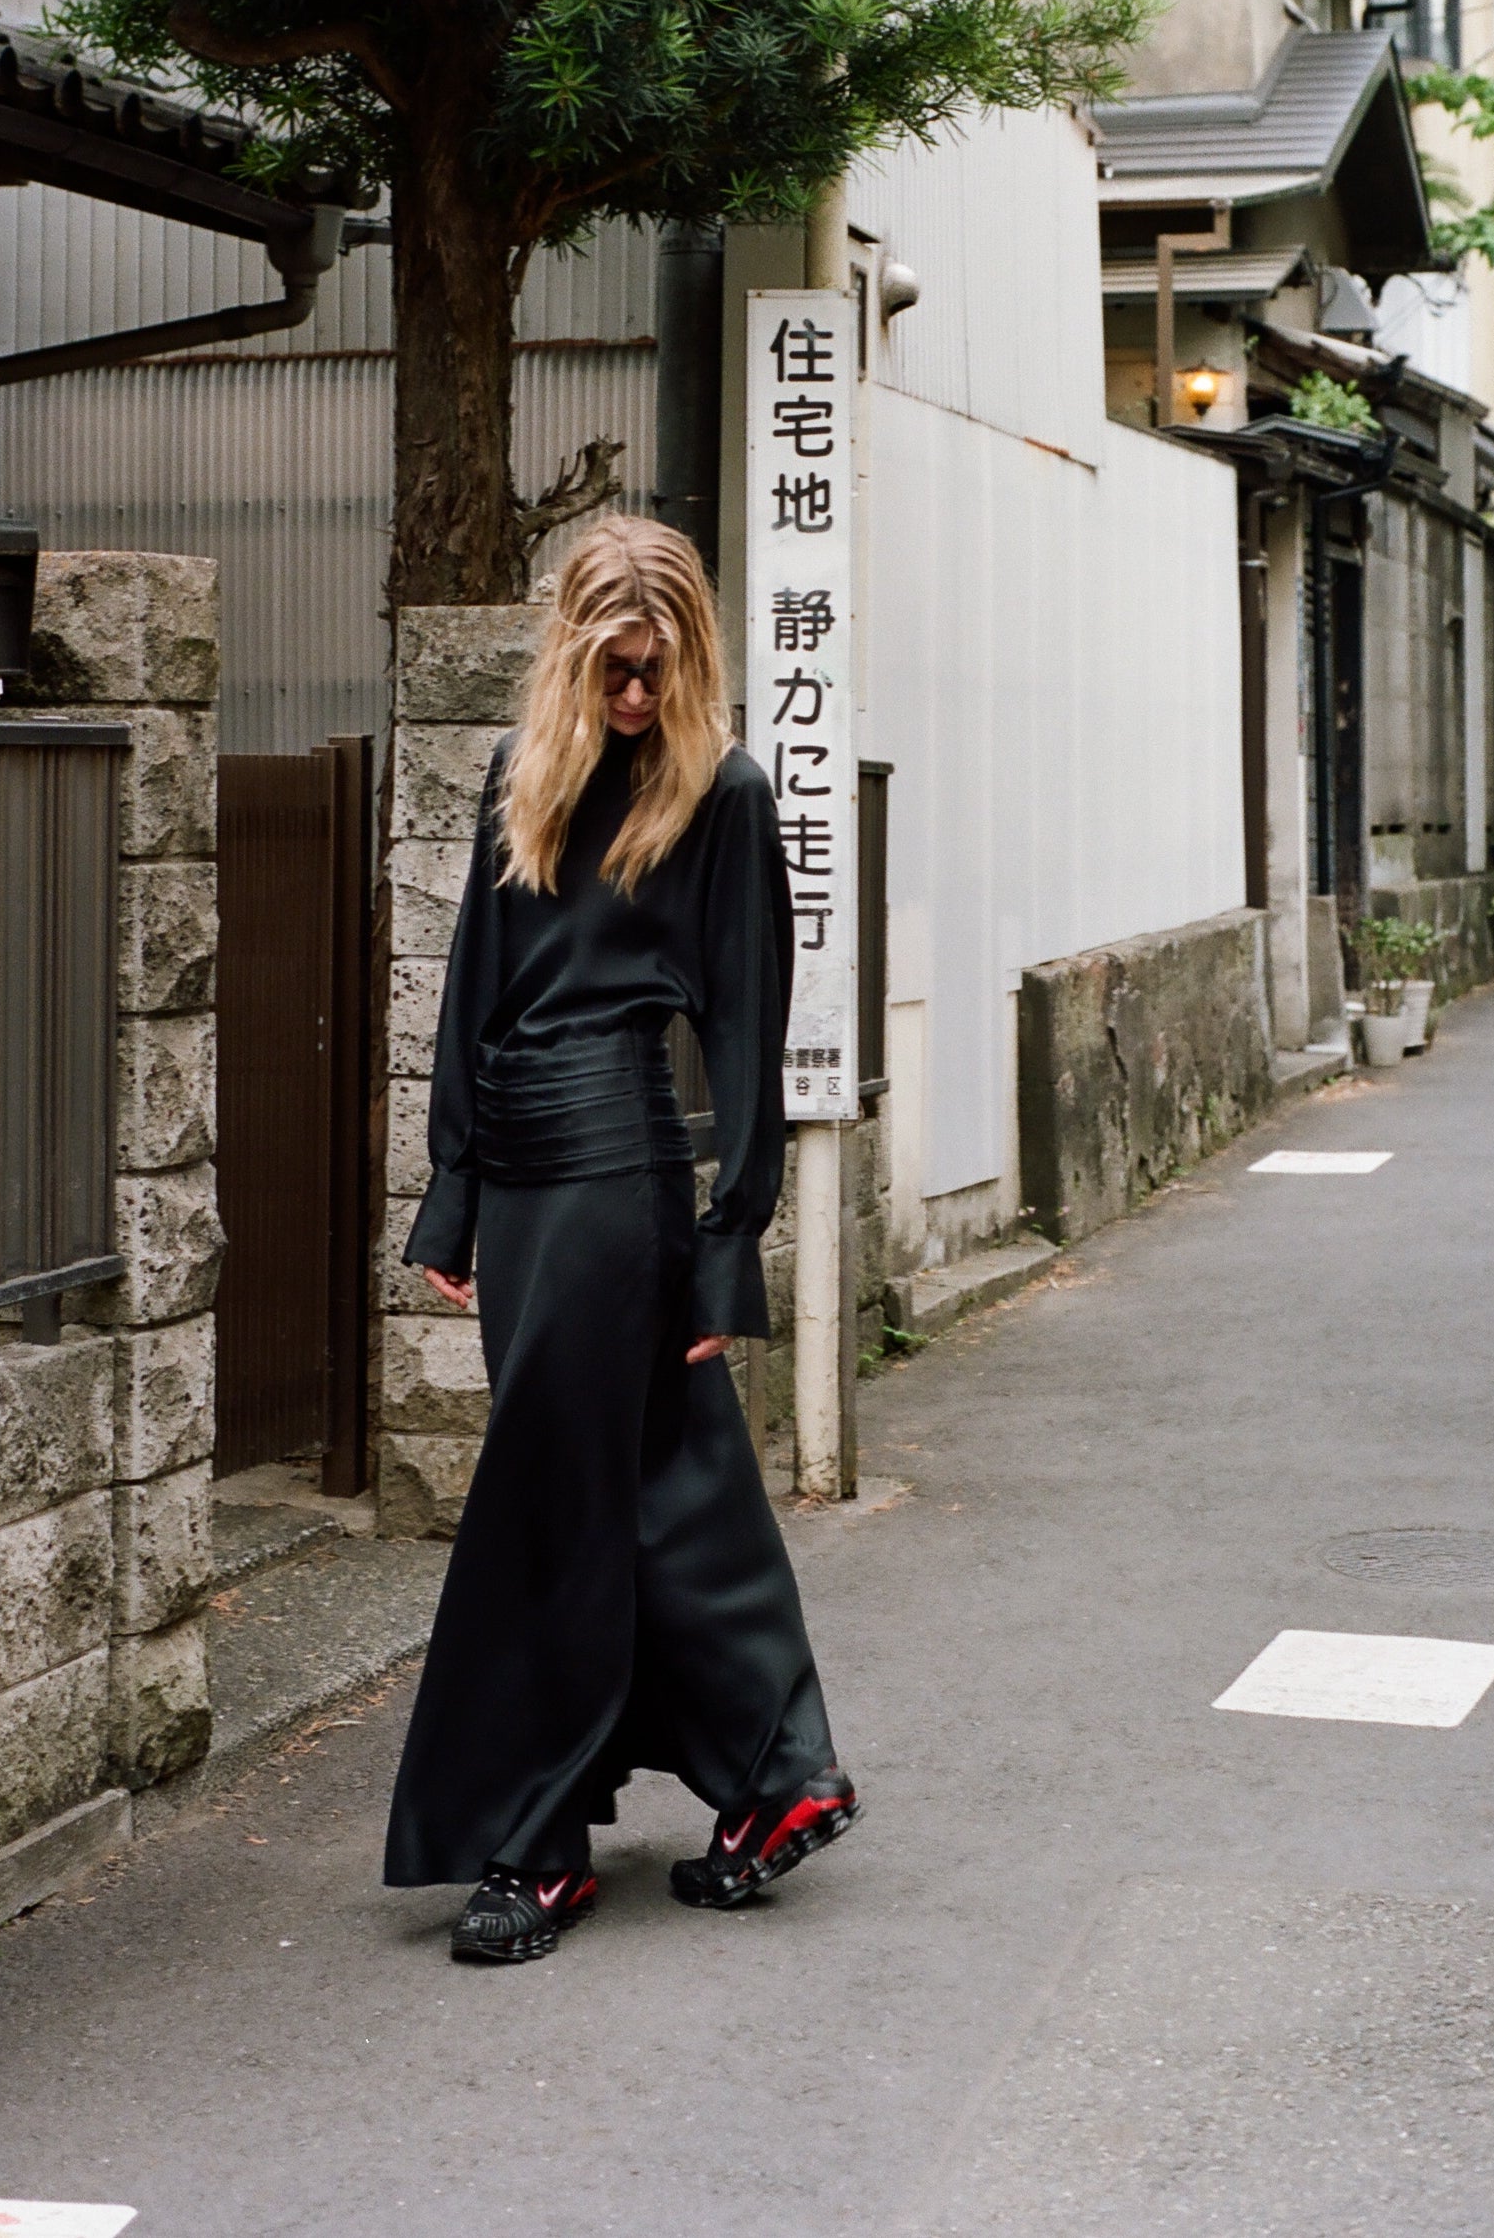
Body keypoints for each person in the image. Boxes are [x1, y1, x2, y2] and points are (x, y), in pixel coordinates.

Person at [384, 517, 857, 1963]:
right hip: (524, 1171)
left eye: (654, 670)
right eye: (611, 671)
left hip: (616, 1174)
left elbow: (746, 1027)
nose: (634, 696)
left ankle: (537, 1842)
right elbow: (472, 984)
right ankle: (777, 1769)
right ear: (571, 659)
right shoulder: (519, 770)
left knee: (551, 1498)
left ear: (688, 657)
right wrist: (452, 1185)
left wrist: (730, 1240)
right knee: (657, 1482)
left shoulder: (720, 790)